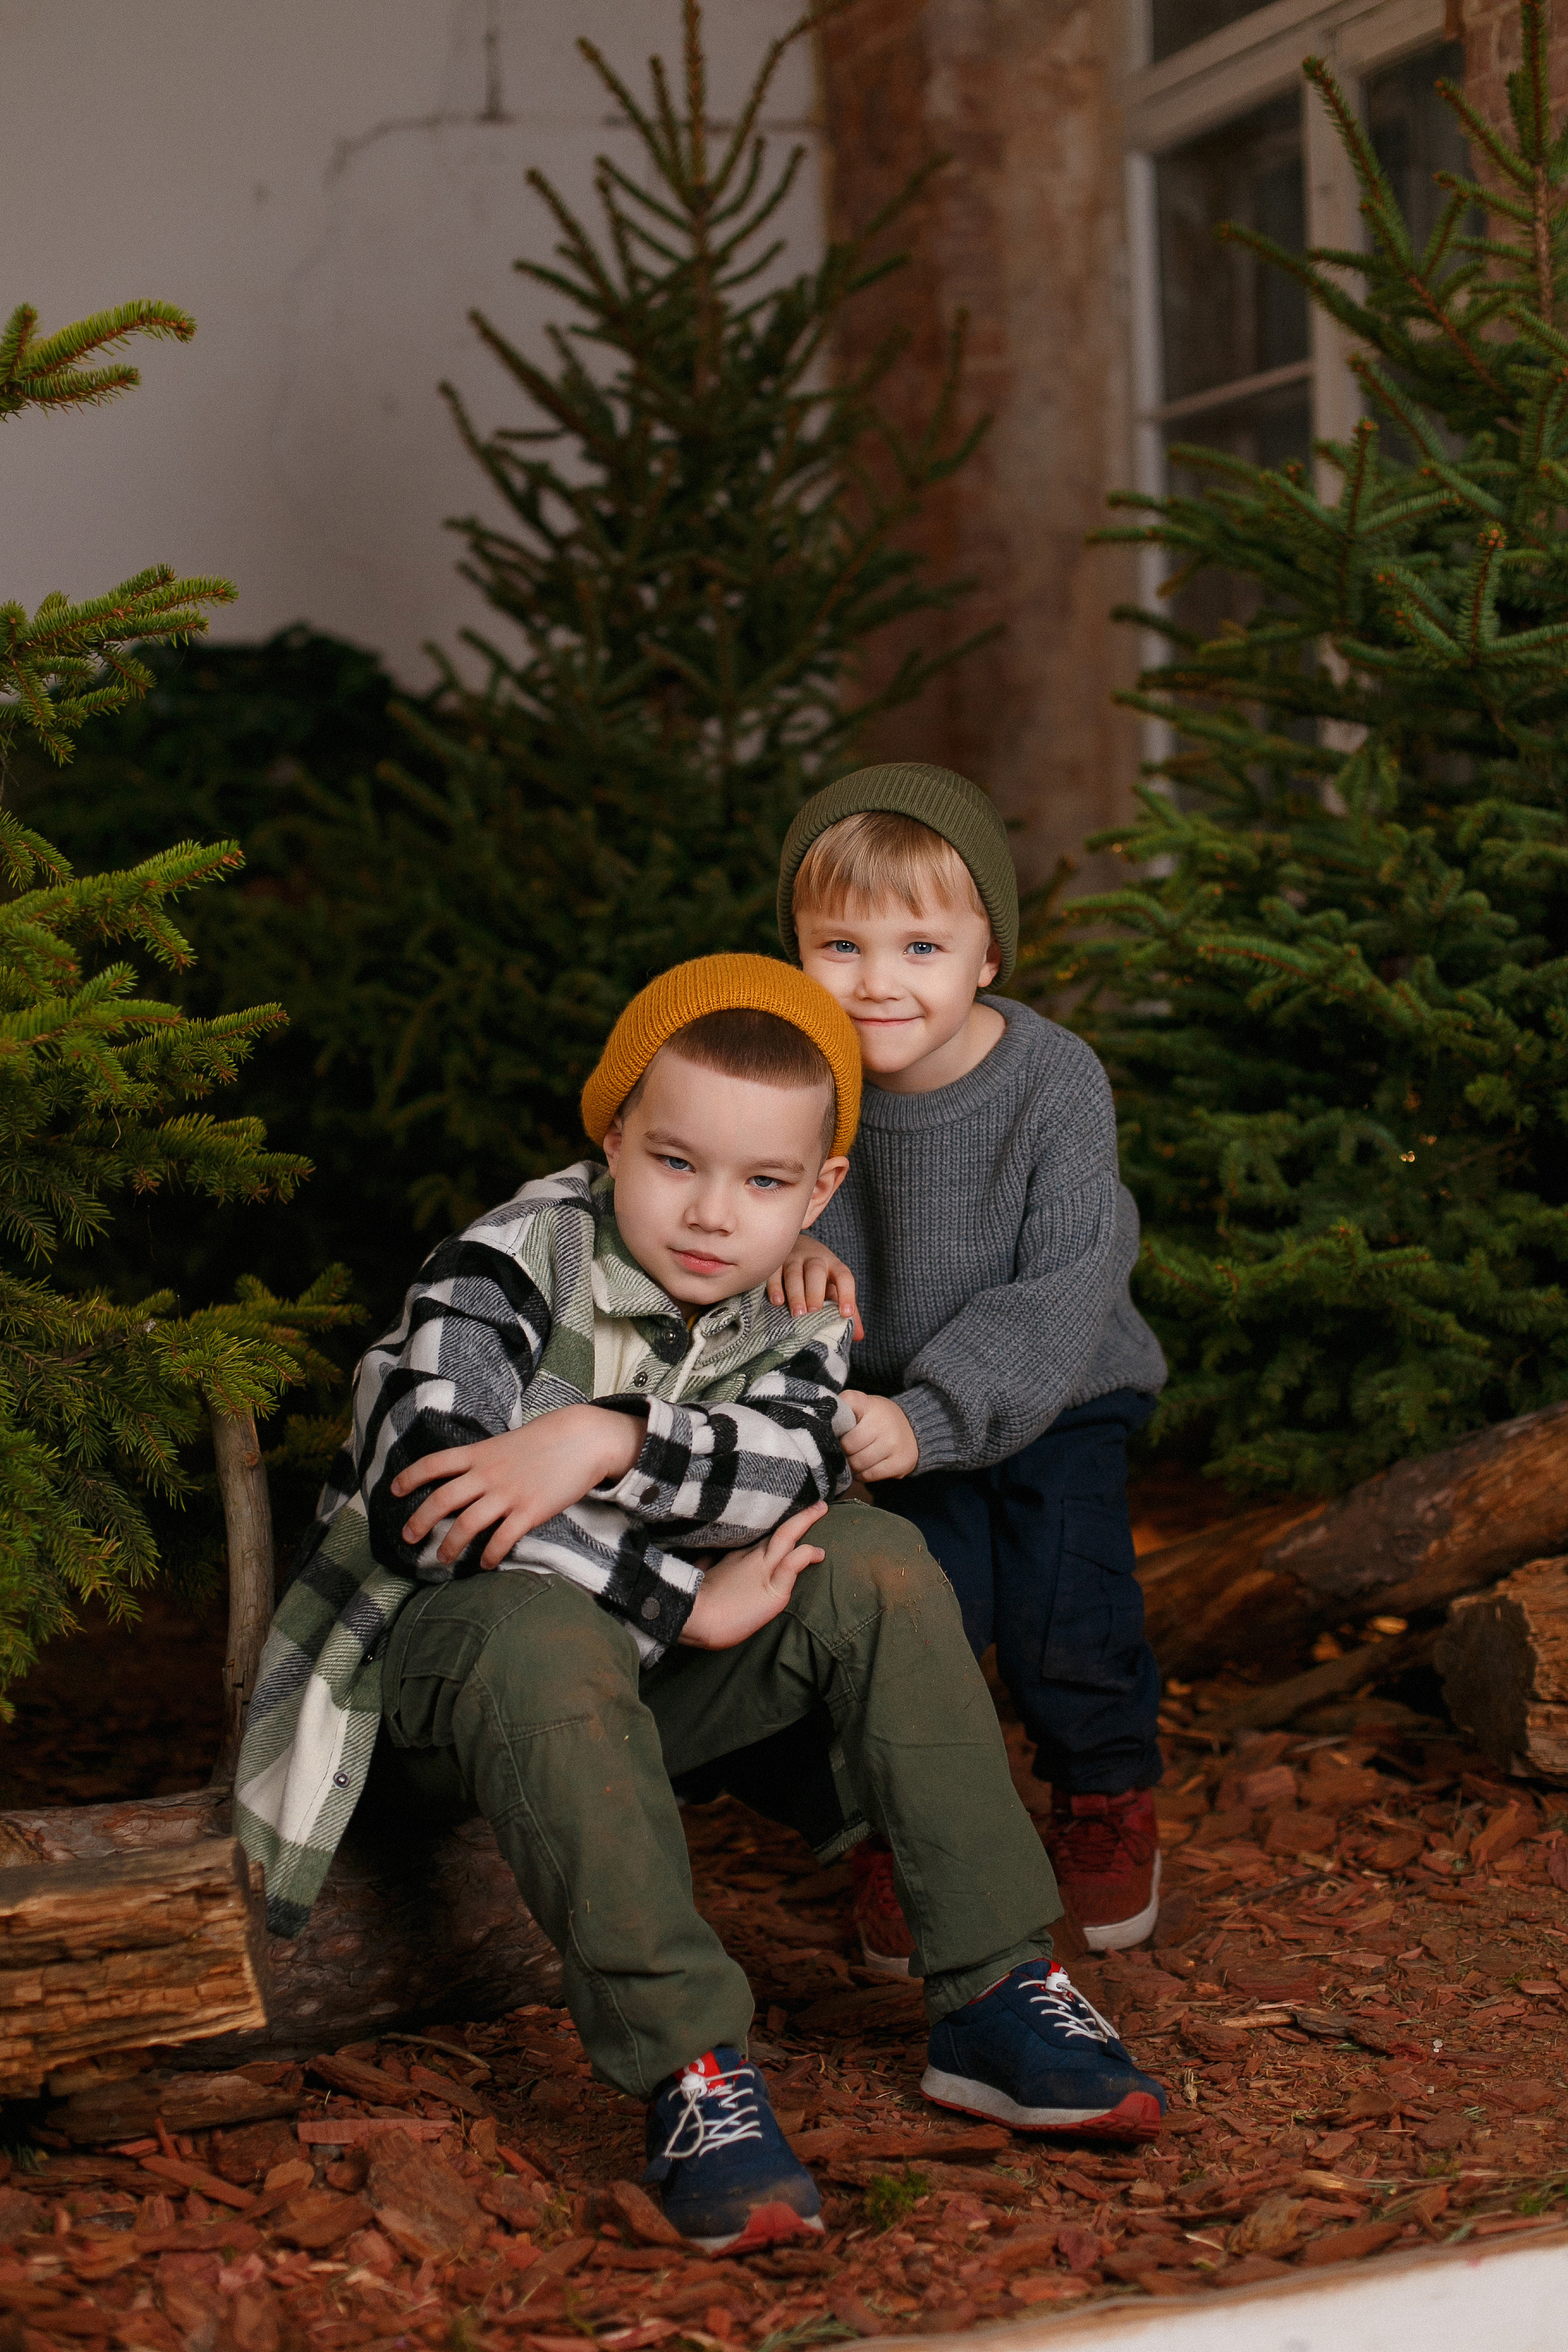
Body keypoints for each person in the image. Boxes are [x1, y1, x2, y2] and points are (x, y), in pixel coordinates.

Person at [236, 953, 1166, 2258]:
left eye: (764, 1182)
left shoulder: (791, 1308)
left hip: (629, 1685)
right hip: (439, 1695)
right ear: (611, 1134)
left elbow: (798, 1465)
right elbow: (429, 1520)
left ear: (819, 1191)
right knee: (541, 1624)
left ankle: (996, 1993)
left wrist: (601, 1440)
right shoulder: (500, 1267)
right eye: (674, 1162)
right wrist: (678, 1597)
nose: (712, 1216)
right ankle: (695, 2080)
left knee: (879, 1561)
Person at [772, 766, 1169, 1963]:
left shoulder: (1052, 1082)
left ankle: (1104, 1800)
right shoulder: (800, 1075)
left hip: (1058, 1390)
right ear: (793, 948)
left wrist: (931, 1417)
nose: (877, 981)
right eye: (837, 943)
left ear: (985, 956)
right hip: (890, 1407)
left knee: (1064, 1609)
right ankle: (914, 1831)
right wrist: (782, 1248)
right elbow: (743, 1202)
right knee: (917, 1619)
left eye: (920, 945)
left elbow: (1063, 1282)